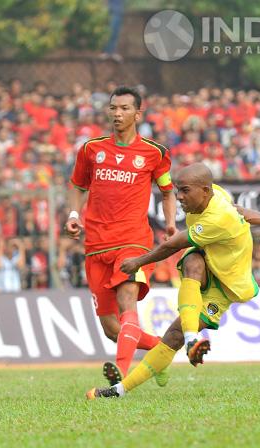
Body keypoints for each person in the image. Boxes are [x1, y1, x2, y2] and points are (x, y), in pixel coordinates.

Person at [87, 163, 260, 400]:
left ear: (205, 191)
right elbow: (239, 209)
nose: (179, 196)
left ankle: (187, 339)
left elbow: (171, 245)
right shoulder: (216, 194)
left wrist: (138, 262)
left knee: (172, 337)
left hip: (227, 286)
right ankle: (120, 390)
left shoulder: (216, 219)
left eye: (185, 190)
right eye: (177, 190)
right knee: (193, 261)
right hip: (210, 264)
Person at [66, 86, 177, 387]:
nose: (117, 113)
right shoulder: (91, 150)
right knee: (111, 328)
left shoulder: (154, 153)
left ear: (138, 114)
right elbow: (77, 186)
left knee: (128, 301)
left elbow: (168, 192)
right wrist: (74, 215)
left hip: (133, 241)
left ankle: (121, 378)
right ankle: (159, 350)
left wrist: (169, 224)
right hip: (95, 244)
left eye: (125, 108)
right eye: (114, 108)